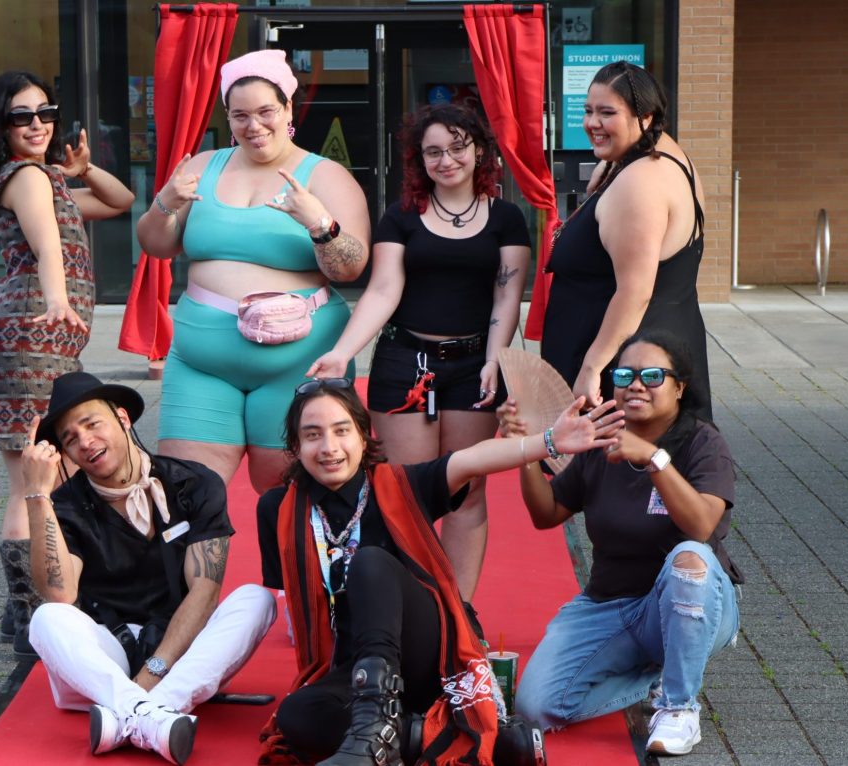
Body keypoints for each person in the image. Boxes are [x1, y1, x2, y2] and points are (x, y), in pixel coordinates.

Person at [256, 378, 621, 765]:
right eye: (312, 435)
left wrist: (548, 441)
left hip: (427, 656)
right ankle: (437, 737)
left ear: (363, 437)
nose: (329, 447)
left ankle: (371, 735)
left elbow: (472, 459)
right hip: (356, 671)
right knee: (296, 715)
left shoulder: (402, 485)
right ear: (295, 446)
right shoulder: (278, 511)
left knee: (369, 563)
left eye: (341, 431)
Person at [307, 103, 531, 601]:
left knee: (466, 490)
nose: (446, 160)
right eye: (433, 152)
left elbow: (506, 297)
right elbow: (383, 290)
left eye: (457, 147)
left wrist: (494, 359)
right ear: (419, 159)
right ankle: (412, 607)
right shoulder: (402, 216)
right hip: (407, 363)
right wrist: (343, 353)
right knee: (406, 492)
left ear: (479, 151)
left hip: (475, 365)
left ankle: (458, 610)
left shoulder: (507, 218)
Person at [136, 49, 370, 496]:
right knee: (187, 494)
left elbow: (350, 268)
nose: (254, 125)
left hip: (299, 361)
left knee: (290, 497)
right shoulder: (202, 166)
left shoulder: (326, 176)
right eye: (240, 115)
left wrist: (319, 224)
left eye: (266, 112)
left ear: (288, 109)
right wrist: (165, 202)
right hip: (202, 361)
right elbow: (156, 244)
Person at [502, 330, 741, 757]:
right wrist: (528, 449)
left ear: (680, 387)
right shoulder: (600, 438)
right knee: (535, 707)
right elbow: (546, 514)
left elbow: (702, 526)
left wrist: (652, 458)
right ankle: (649, 677)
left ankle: (679, 706)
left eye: (653, 376)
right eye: (625, 375)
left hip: (691, 602)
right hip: (610, 605)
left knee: (689, 558)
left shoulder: (703, 443)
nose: (636, 385)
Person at [22, 372, 276, 764]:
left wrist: (152, 674)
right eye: (70, 439)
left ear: (123, 418)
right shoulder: (66, 505)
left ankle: (131, 713)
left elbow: (204, 592)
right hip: (103, 662)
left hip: (180, 656)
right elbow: (60, 594)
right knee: (46, 618)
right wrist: (38, 495)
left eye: (92, 424)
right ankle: (157, 717)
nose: (85, 442)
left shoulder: (193, 483)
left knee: (256, 600)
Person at [0, 70, 135, 658]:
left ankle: (30, 608)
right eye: (22, 116)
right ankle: (30, 613)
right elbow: (47, 247)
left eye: (45, 112)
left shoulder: (43, 179)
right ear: (1, 126)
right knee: (35, 480)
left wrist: (83, 169)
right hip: (32, 335)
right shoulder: (27, 177)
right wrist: (60, 302)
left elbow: (120, 201)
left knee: (40, 478)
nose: (37, 124)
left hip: (31, 338)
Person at [540, 61, 713, 421]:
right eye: (588, 111)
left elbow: (635, 291)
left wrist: (591, 367)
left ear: (646, 118)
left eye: (607, 113)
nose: (592, 123)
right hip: (660, 351)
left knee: (623, 459)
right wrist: (613, 167)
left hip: (624, 373)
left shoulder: (640, 183)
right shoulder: (667, 159)